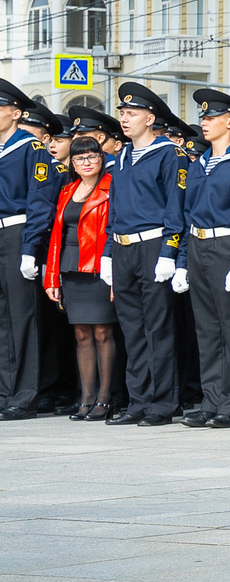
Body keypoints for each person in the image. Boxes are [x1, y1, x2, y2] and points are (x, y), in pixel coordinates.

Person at [105, 83, 187, 426]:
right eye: (123, 113)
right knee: (132, 329)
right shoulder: (121, 157)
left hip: (153, 245)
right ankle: (138, 400)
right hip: (124, 247)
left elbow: (175, 206)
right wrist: (109, 254)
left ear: (150, 118)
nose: (125, 118)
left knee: (158, 327)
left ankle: (162, 403)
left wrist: (169, 252)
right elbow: (116, 208)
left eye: (132, 113)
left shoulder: (169, 154)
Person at [181, 90, 230, 428]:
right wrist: (184, 259)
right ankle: (212, 398)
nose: (204, 122)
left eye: (211, 118)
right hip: (200, 245)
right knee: (207, 328)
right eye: (203, 118)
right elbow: (188, 213)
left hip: (227, 244)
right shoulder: (199, 164)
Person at [45, 135, 117, 419]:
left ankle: (105, 397)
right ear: (72, 163)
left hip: (99, 266)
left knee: (103, 332)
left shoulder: (112, 186)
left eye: (92, 156)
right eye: (79, 158)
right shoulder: (67, 190)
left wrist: (112, 272)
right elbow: (56, 238)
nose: (86, 162)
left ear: (102, 158)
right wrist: (52, 277)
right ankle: (86, 396)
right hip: (71, 267)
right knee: (80, 333)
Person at [0, 79, 55, 420]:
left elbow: (39, 200)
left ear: (16, 113)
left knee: (23, 318)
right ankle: (5, 391)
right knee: (3, 319)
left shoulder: (30, 148)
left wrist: (30, 248)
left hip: (18, 231)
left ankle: (25, 395)